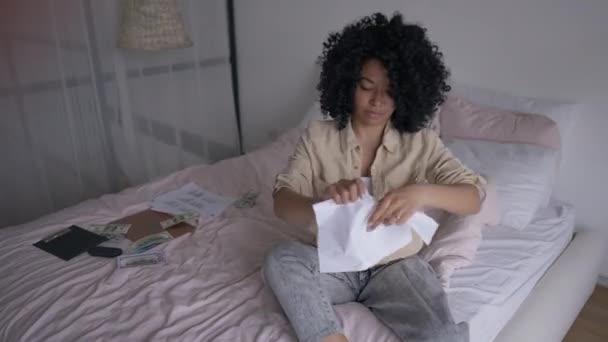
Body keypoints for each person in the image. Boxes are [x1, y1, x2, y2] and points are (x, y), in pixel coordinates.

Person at [263, 12, 484, 342]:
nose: (378, 101)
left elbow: (473, 197)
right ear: (348, 83)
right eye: (366, 87)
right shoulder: (317, 137)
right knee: (280, 260)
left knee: (441, 334)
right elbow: (282, 200)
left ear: (408, 92)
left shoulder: (421, 142)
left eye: (391, 91)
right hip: (334, 264)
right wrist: (322, 203)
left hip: (395, 268)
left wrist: (420, 193)